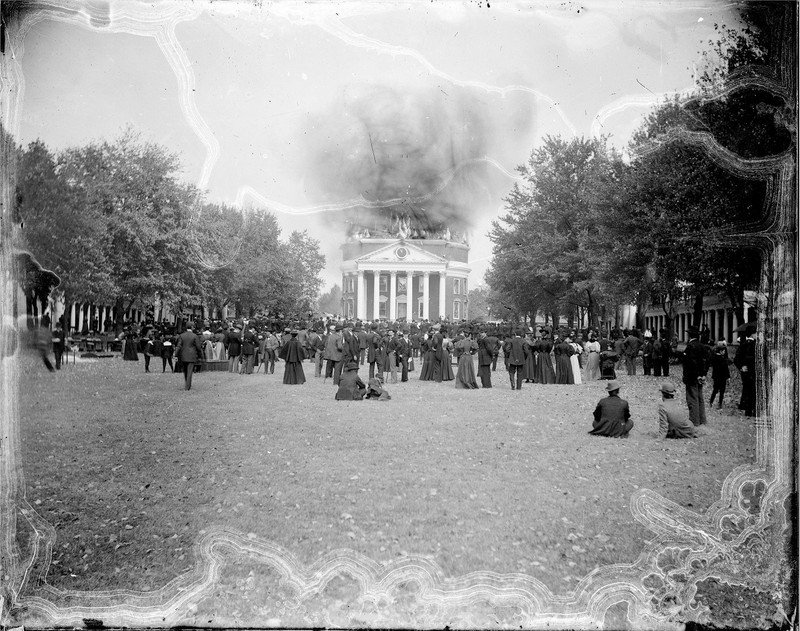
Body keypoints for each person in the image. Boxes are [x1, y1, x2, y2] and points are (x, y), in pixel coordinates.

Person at [683, 326, 710, 426]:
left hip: (691, 376)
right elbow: (707, 361)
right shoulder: (702, 346)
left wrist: (696, 375)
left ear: (689, 335)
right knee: (700, 398)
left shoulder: (690, 346)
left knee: (692, 399)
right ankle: (702, 419)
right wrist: (703, 374)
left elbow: (691, 363)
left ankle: (694, 421)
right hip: (700, 376)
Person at [733, 324, 757, 417]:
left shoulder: (743, 345)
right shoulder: (757, 345)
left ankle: (748, 410)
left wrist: (741, 367)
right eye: (756, 333)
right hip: (754, 371)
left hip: (746, 372)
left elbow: (736, 359)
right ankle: (754, 411)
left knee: (747, 389)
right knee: (754, 391)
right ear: (752, 334)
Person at [175, 325, 204, 391]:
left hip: (183, 354)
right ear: (192, 328)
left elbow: (178, 346)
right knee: (190, 371)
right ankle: (187, 386)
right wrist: (200, 355)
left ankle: (186, 383)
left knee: (185, 370)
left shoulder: (182, 335)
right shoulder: (194, 336)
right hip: (192, 355)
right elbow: (198, 347)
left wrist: (175, 354)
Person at [708, 340, 731, 410]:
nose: (724, 352)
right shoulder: (716, 358)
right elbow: (724, 368)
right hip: (719, 377)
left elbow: (726, 368)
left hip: (721, 377)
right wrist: (728, 376)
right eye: (723, 351)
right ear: (720, 351)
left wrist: (728, 377)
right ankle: (712, 402)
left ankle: (718, 403)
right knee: (716, 390)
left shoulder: (721, 358)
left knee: (720, 391)